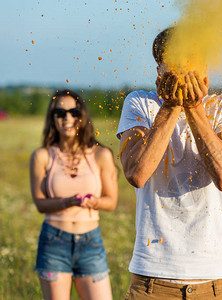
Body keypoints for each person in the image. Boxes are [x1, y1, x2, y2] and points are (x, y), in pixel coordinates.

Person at [117, 27, 222, 299]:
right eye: (175, 65)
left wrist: (195, 107)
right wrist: (171, 107)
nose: (184, 74)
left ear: (206, 70)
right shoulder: (140, 103)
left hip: (214, 281)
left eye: (191, 64)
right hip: (151, 280)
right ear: (159, 72)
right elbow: (137, 173)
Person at [30, 89, 118, 300]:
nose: (67, 118)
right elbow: (40, 204)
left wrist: (94, 202)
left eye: (73, 112)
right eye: (59, 113)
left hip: (91, 243)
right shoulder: (42, 156)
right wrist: (66, 202)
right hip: (53, 242)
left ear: (82, 115)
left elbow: (111, 201)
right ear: (53, 119)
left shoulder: (100, 154)